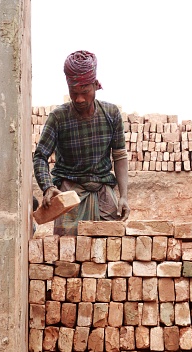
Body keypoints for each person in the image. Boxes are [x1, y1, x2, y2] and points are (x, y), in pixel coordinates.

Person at [33, 50, 130, 236]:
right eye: (74, 92)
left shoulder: (111, 114)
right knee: (66, 257)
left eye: (85, 92)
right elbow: (40, 156)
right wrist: (48, 187)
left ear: (95, 85)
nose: (79, 99)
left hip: (103, 192)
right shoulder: (58, 117)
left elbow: (119, 156)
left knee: (111, 253)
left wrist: (124, 196)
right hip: (69, 193)